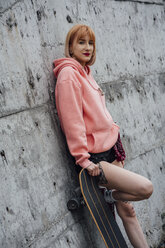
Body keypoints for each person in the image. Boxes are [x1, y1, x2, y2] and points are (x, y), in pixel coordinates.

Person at [53, 24, 153, 248]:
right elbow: (72, 121)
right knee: (145, 189)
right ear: (70, 46)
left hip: (111, 148)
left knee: (128, 209)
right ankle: (109, 195)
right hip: (96, 159)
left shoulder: (85, 72)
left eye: (90, 43)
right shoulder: (69, 75)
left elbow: (98, 114)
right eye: (81, 42)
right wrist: (83, 160)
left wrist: (113, 130)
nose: (87, 48)